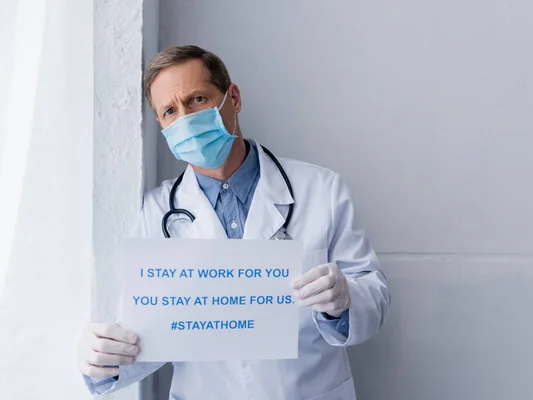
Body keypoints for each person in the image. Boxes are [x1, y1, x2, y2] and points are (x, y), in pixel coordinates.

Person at [78, 45, 390, 400]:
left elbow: (375, 295)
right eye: (169, 111)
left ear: (234, 98)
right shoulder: (157, 211)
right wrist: (102, 359)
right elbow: (148, 335)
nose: (185, 119)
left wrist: (345, 301)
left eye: (197, 100)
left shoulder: (322, 190)